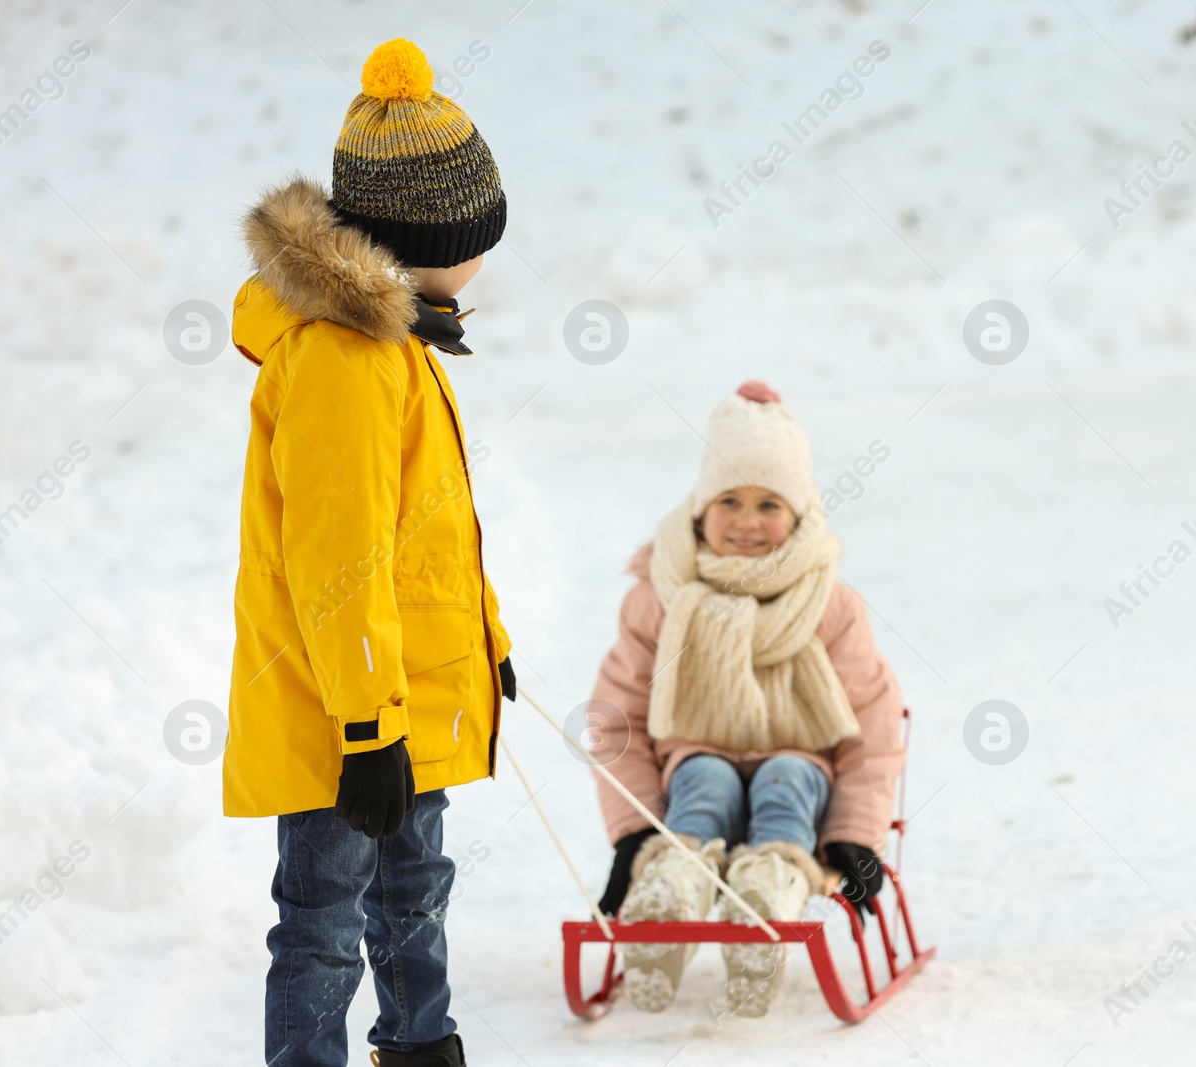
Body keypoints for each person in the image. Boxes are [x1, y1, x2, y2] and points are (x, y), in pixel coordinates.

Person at [222, 38, 514, 1067]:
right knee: (323, 918)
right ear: (425, 233)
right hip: (341, 713)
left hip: (402, 695)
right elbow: (337, 556)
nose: (486, 256)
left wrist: (491, 639)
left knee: (412, 893)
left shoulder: (396, 338)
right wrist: (364, 726)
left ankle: (420, 1043)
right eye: (479, 235)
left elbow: (426, 536)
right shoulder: (345, 363)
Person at [586, 380, 905, 1017]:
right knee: (703, 777)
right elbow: (618, 721)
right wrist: (631, 836)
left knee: (786, 775)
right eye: (730, 499)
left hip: (801, 783)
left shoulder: (830, 605)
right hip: (693, 780)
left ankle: (768, 894)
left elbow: (873, 729)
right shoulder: (659, 598)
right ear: (701, 511)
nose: (750, 521)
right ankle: (669, 890)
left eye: (770, 503)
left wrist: (855, 838)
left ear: (800, 514)